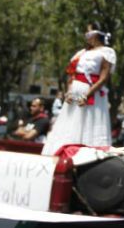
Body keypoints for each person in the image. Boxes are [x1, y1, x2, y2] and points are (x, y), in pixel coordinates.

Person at [41, 22, 116, 155]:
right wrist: (68, 91)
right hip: (75, 91)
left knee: (88, 124)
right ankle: (61, 152)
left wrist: (87, 94)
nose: (86, 37)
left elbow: (104, 77)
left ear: (97, 34)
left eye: (89, 33)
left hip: (91, 92)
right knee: (69, 123)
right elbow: (72, 73)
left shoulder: (106, 52)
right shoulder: (81, 53)